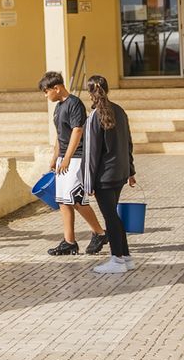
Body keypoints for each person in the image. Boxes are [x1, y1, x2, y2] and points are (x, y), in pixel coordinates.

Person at [38, 71, 106, 256]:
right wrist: (55, 157)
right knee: (63, 201)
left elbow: (77, 131)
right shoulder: (58, 107)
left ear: (56, 88)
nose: (46, 95)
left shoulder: (74, 103)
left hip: (76, 158)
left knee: (76, 199)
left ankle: (100, 233)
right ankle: (69, 242)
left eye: (46, 91)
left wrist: (67, 157)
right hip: (64, 158)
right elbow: (61, 135)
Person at [80, 75, 138, 275]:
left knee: (110, 217)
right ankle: (126, 257)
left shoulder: (94, 117)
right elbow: (128, 143)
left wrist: (87, 183)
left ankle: (117, 259)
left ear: (90, 93)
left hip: (104, 177)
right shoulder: (120, 111)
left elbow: (91, 153)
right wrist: (130, 171)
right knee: (114, 216)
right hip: (120, 173)